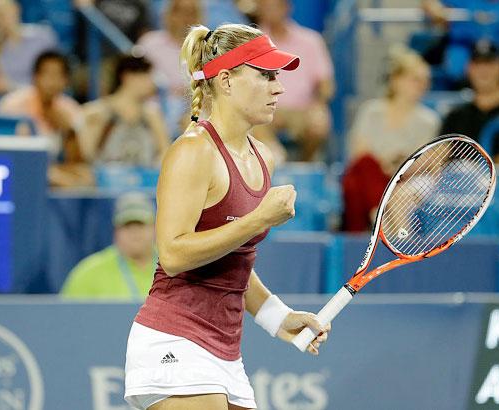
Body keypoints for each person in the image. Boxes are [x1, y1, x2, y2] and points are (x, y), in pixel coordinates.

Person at [124, 23, 331, 410]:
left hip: (224, 353)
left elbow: (233, 261)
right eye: (266, 75)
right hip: (175, 341)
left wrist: (278, 317)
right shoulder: (192, 152)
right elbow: (173, 254)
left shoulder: (262, 157)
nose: (279, 87)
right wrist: (258, 220)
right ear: (227, 80)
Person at [343, 47, 440, 231]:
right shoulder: (371, 111)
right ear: (396, 80)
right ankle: (379, 216)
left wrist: (397, 165)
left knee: (359, 182)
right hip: (372, 176)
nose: (422, 86)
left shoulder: (429, 120)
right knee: (363, 168)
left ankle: (377, 220)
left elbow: (423, 162)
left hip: (402, 180)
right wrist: (387, 163)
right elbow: (359, 153)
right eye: (415, 80)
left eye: (426, 81)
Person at [254, 0, 334, 161]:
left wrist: (317, 105)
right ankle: (276, 162)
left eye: (275, 5)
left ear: (287, 7)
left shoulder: (311, 41)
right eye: (266, 6)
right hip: (265, 108)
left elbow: (326, 85)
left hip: (303, 110)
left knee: (319, 122)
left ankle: (305, 166)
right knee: (251, 118)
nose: (270, 10)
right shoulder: (252, 43)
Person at [0, 50, 89, 187]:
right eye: (48, 74)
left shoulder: (71, 110)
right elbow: (6, 150)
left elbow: (77, 161)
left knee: (87, 177)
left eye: (59, 75)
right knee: (62, 181)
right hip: (16, 166)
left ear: (66, 81)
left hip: (53, 167)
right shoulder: (12, 105)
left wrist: (69, 132)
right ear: (36, 77)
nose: (53, 81)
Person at [61, 191, 157, 300]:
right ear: (115, 231)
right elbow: (65, 314)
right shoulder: (88, 273)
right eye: (127, 225)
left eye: (141, 224)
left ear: (155, 228)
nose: (134, 232)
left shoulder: (174, 270)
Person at [78, 54, 170, 166]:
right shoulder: (95, 111)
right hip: (106, 179)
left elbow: (165, 153)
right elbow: (87, 155)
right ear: (128, 77)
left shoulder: (152, 114)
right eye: (147, 76)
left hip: (145, 179)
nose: (152, 83)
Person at [137, 0, 204, 139]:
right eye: (180, 12)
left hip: (192, 107)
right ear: (169, 15)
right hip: (155, 106)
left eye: (192, 13)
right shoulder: (149, 43)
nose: (186, 18)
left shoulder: (206, 48)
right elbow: (135, 78)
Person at [0, 0, 58, 94]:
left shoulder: (43, 37)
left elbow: (53, 80)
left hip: (40, 98)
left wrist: (11, 87)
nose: (0, 19)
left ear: (17, 9)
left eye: (3, 12)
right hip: (1, 99)